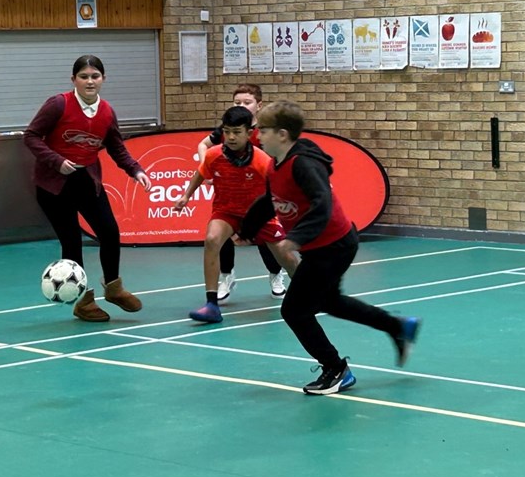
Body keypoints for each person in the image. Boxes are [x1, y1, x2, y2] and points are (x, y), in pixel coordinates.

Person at [239, 100, 420, 395]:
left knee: (294, 311)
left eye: (263, 129)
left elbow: (322, 204)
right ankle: (399, 327)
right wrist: (246, 230)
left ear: (282, 134)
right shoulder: (275, 163)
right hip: (322, 245)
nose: (257, 134)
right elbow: (270, 199)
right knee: (330, 302)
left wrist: (295, 237)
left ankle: (336, 369)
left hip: (333, 244)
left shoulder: (304, 164)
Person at [23, 54, 151, 322]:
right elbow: (31, 136)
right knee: (71, 243)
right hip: (54, 185)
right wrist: (56, 161)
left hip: (86, 181)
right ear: (74, 80)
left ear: (103, 79)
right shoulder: (58, 104)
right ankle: (83, 302)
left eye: (95, 76)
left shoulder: (106, 112)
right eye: (84, 76)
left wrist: (135, 170)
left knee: (109, 231)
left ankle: (114, 288)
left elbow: (116, 147)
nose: (90, 81)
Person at [174, 106, 287, 324]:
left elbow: (278, 186)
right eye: (227, 132)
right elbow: (199, 175)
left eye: (237, 132)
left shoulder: (262, 160)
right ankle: (211, 305)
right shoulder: (214, 155)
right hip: (226, 211)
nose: (231, 137)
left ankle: (310, 291)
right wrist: (186, 196)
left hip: (257, 213)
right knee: (212, 239)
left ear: (249, 133)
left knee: (286, 256)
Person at [195, 84, 289, 300]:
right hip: (229, 197)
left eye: (247, 102)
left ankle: (276, 275)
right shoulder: (226, 131)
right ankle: (226, 278)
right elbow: (203, 145)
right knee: (220, 238)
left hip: (260, 197)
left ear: (259, 105)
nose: (242, 106)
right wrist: (206, 169)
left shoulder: (266, 131)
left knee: (265, 239)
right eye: (237, 102)